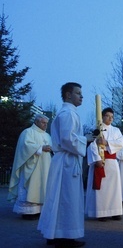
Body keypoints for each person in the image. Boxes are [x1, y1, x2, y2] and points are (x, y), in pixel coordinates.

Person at [37, 82, 87, 247]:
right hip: (66, 161)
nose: (81, 96)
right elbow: (67, 139)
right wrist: (86, 140)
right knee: (66, 199)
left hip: (65, 161)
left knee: (60, 199)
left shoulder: (69, 113)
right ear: (68, 95)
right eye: (78, 93)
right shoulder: (67, 114)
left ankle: (55, 233)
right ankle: (65, 236)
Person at [8, 114, 52, 220]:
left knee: (43, 186)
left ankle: (39, 210)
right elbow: (25, 147)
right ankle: (27, 212)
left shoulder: (47, 135)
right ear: (36, 122)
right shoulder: (28, 132)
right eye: (43, 123)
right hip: (32, 167)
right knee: (30, 186)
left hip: (45, 167)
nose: (45, 125)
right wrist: (41, 148)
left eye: (46, 123)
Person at [85, 107, 123, 221]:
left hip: (112, 162)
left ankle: (115, 211)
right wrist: (97, 159)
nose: (110, 118)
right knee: (101, 188)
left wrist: (106, 142)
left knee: (114, 188)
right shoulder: (97, 129)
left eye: (112, 117)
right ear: (102, 116)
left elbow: (120, 143)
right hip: (100, 161)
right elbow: (92, 145)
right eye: (107, 116)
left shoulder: (116, 130)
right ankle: (101, 212)